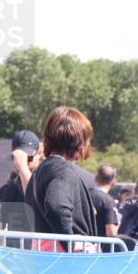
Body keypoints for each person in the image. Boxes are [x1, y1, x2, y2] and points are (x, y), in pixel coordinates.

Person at [23, 106, 98, 251]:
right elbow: (56, 206)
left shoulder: (41, 170)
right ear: (79, 141)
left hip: (46, 256)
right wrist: (71, 243)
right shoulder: (62, 170)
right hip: (65, 260)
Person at [0, 130, 43, 241]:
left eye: (28, 157)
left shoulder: (46, 182)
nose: (23, 161)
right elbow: (1, 226)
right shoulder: (8, 190)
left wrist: (23, 168)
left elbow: (36, 201)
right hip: (15, 253)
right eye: (19, 157)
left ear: (39, 154)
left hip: (40, 253)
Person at [92, 165, 120, 245]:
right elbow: (111, 232)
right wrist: (120, 224)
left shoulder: (84, 195)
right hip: (98, 248)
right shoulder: (108, 201)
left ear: (96, 178)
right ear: (113, 183)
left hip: (80, 244)